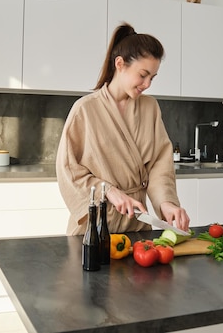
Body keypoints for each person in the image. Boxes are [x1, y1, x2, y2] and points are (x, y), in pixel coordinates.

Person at [56, 22, 191, 236]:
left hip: (136, 226)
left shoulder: (150, 108)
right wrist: (109, 191)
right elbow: (69, 170)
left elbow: (159, 166)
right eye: (143, 75)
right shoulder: (85, 109)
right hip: (94, 228)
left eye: (152, 78)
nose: (147, 84)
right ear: (120, 64)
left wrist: (167, 203)